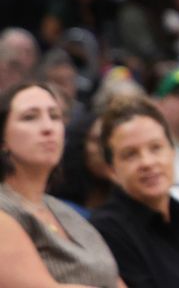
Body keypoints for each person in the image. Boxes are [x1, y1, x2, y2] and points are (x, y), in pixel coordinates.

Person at [91, 99, 179, 288]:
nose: (147, 162)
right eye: (131, 154)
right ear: (112, 170)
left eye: (155, 148)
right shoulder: (106, 232)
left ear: (172, 152)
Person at [0, 82, 120, 287]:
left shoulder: (68, 214)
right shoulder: (4, 209)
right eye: (30, 117)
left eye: (55, 116)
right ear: (3, 140)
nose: (48, 127)